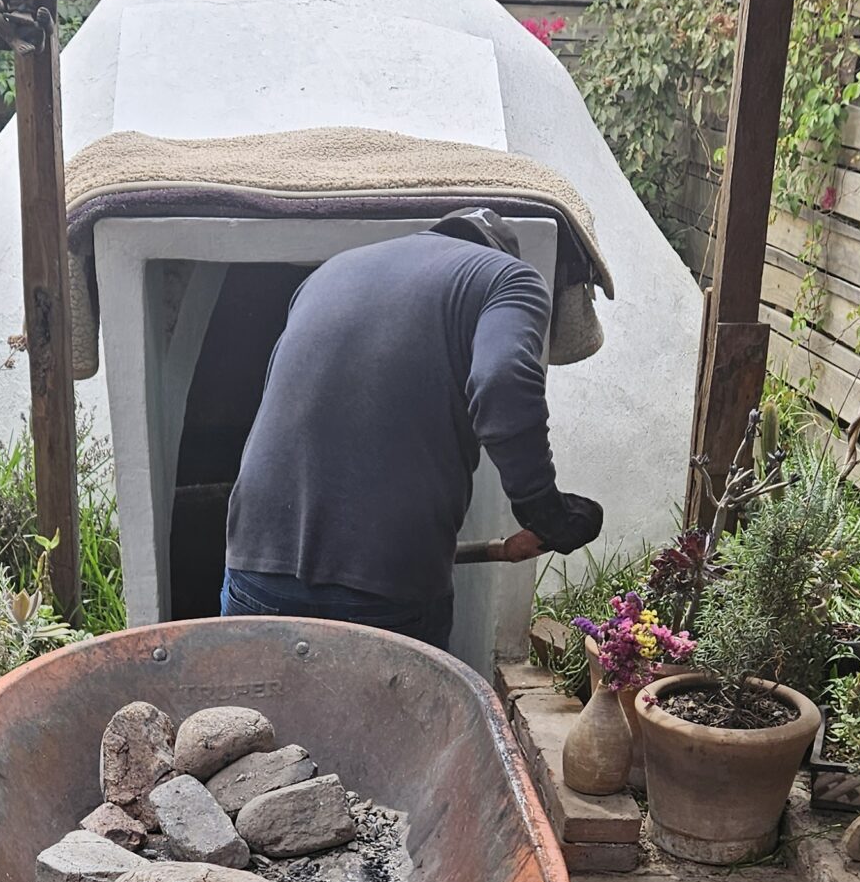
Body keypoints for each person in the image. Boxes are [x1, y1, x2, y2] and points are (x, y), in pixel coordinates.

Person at [220, 209, 604, 652]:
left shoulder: (332, 271)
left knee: (259, 722)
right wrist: (545, 513)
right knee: (386, 725)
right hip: (383, 593)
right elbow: (502, 379)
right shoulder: (508, 278)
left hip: (254, 571)